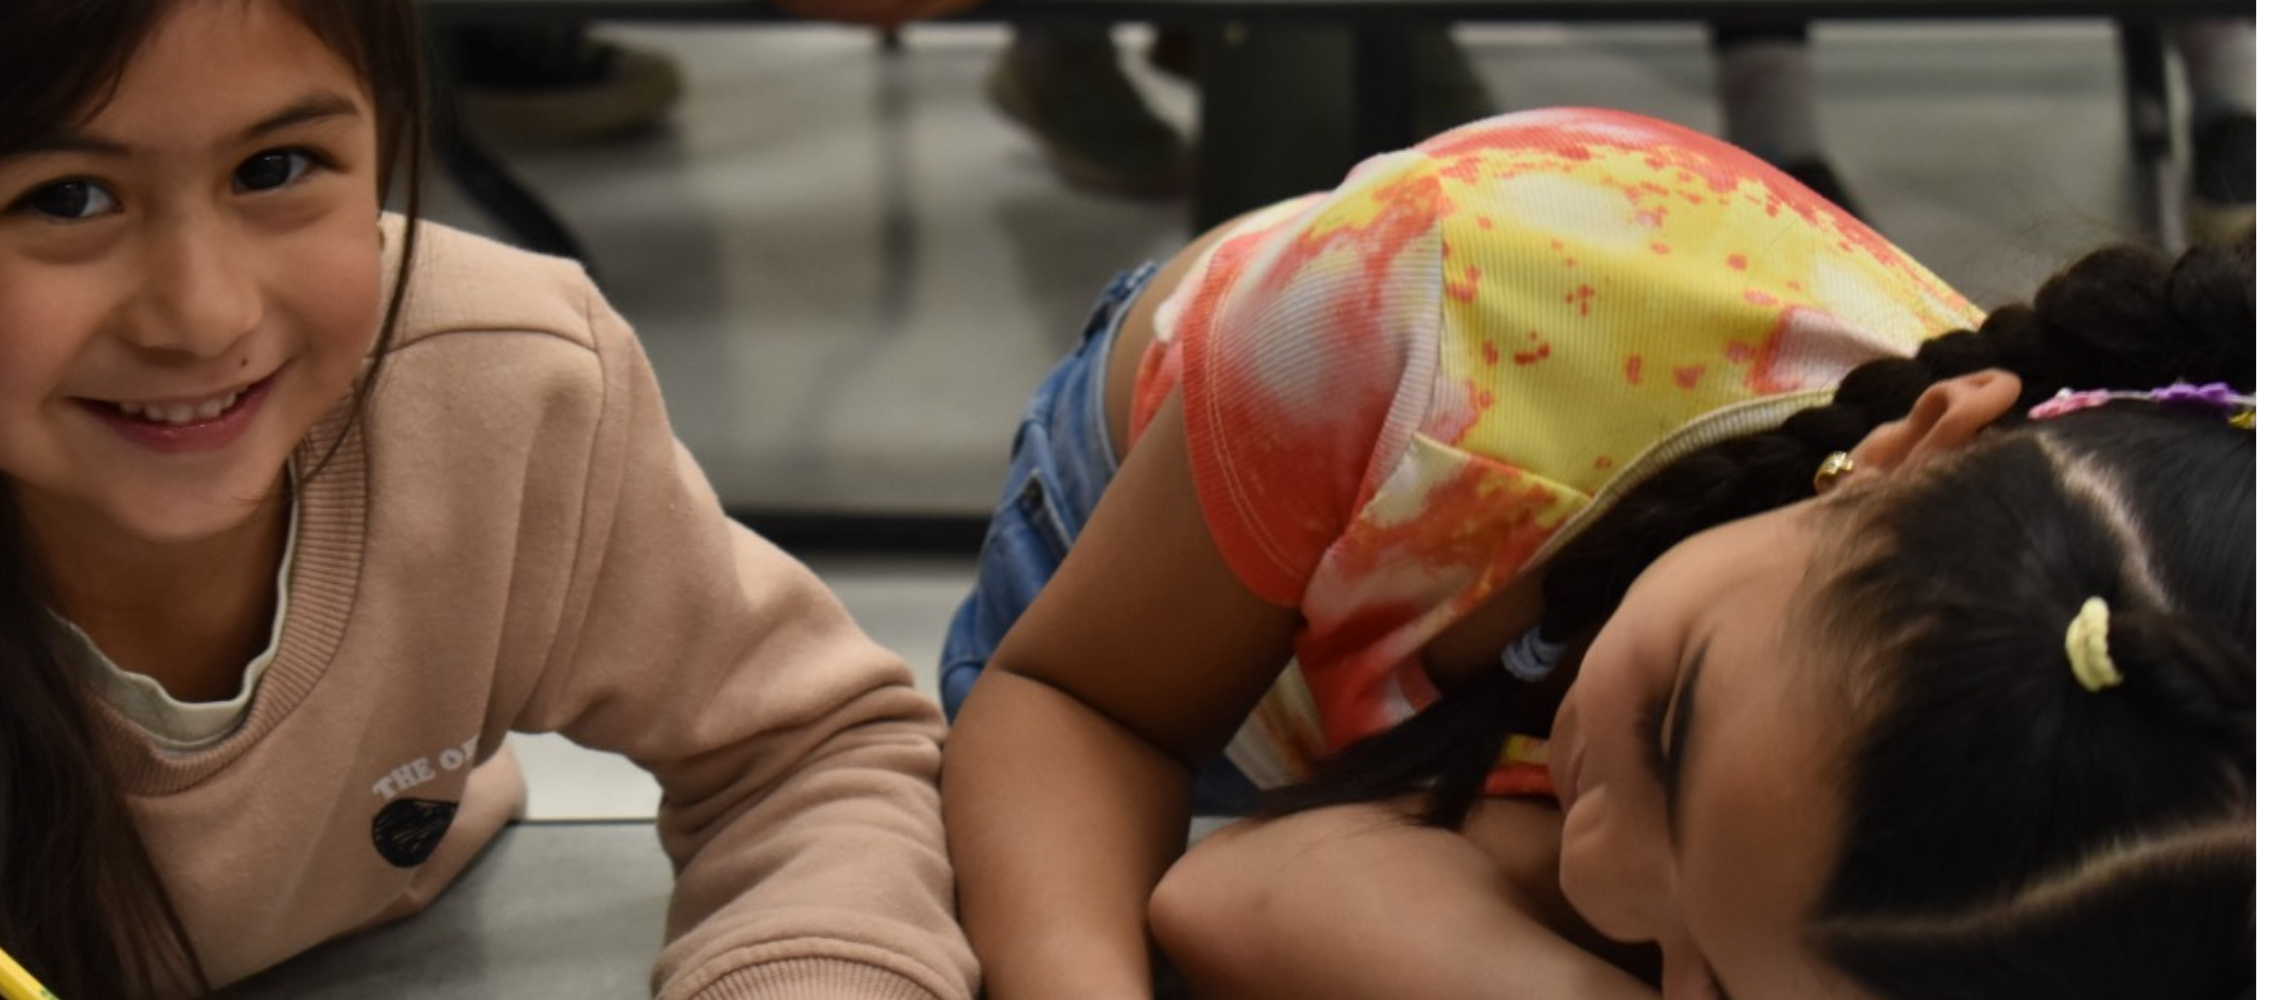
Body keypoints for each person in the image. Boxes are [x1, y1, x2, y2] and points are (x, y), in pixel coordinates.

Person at [0, 2, 976, 999]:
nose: (206, 314)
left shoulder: (506, 381)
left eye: (276, 169)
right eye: (69, 197)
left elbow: (810, 752)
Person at [939, 106, 2254, 999]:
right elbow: (1084, 713)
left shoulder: (1856, 748)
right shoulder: (1418, 305)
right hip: (1159, 557)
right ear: (1917, 447)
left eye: (1720, 985)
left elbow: (1277, 893)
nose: (1600, 883)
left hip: (1504, 711)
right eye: (1675, 726)